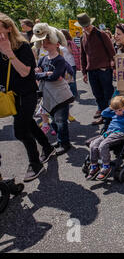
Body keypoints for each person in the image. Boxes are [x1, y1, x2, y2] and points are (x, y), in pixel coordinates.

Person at [0, 13, 55, 182]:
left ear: (8, 29)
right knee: (29, 124)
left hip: (27, 94)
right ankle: (47, 146)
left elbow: (25, 72)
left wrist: (8, 52)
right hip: (10, 96)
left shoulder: (23, 47)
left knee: (20, 131)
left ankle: (35, 163)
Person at [34, 26, 74, 155]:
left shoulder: (60, 60)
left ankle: (65, 143)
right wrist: (45, 74)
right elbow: (36, 74)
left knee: (61, 121)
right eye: (43, 42)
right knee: (53, 121)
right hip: (49, 96)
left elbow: (55, 76)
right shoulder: (42, 59)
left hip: (61, 95)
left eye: (48, 42)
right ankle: (60, 140)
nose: (44, 44)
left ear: (57, 44)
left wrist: (43, 74)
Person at [77, 13, 116, 125]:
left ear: (91, 23)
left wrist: (115, 67)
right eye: (84, 26)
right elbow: (83, 56)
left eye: (88, 25)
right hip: (91, 70)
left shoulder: (101, 34)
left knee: (108, 93)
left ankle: (112, 117)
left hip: (104, 69)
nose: (86, 27)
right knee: (97, 94)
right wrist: (84, 72)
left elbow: (112, 51)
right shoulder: (82, 38)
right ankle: (104, 116)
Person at [86, 95, 124, 181]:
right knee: (93, 144)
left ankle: (106, 166)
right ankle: (94, 165)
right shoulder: (113, 113)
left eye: (120, 110)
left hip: (119, 133)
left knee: (103, 145)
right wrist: (111, 108)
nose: (118, 112)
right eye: (115, 110)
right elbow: (103, 113)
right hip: (108, 133)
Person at [61, 29, 79, 100]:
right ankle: (69, 95)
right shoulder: (59, 43)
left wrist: (68, 48)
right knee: (66, 80)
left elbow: (75, 53)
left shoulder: (70, 43)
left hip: (71, 64)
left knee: (72, 80)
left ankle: (74, 94)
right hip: (63, 64)